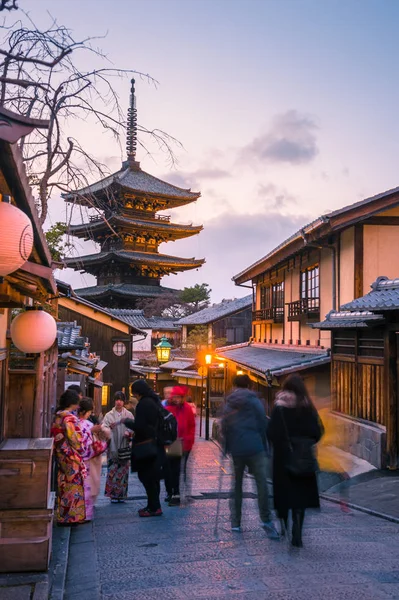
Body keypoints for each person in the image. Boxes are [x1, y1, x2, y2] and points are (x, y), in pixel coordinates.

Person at [267, 373, 323, 548]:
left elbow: (271, 432)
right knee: (300, 496)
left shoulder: (280, 407)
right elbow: (318, 431)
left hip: (283, 457)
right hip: (303, 456)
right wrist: (306, 443)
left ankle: (284, 523)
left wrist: (281, 443)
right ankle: (298, 523)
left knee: (284, 494)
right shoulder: (307, 407)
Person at [221, 374, 279, 538]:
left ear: (234, 385)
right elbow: (263, 424)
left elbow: (224, 425)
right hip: (255, 447)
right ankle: (266, 520)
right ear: (250, 385)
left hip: (237, 449)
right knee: (261, 484)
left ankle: (236, 523)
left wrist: (226, 447)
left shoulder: (230, 402)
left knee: (236, 486)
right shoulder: (255, 401)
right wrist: (266, 445)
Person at [123, 380, 164, 517]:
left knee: (147, 477)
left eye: (134, 393)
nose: (134, 396)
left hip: (145, 446)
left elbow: (140, 426)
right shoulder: (155, 401)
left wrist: (128, 422)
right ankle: (153, 505)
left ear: (137, 392)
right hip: (155, 444)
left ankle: (154, 507)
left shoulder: (143, 405)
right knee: (153, 478)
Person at [51, 389, 86, 525]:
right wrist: (80, 447)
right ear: (73, 403)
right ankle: (72, 516)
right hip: (70, 454)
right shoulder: (69, 418)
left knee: (63, 482)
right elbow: (75, 438)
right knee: (73, 484)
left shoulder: (58, 416)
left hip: (60, 452)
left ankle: (63, 514)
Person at [77, 397, 109, 520]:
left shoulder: (76, 423)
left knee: (85, 486)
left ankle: (81, 514)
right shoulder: (87, 425)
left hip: (81, 458)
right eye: (90, 412)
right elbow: (85, 441)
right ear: (86, 411)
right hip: (88, 458)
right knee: (88, 486)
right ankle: (86, 514)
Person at [164, 385, 196, 506]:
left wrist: (189, 439)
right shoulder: (169, 408)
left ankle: (178, 493)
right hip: (173, 442)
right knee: (173, 469)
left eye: (179, 397)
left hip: (185, 442)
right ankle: (174, 493)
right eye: (175, 397)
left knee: (180, 469)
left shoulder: (187, 409)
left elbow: (191, 426)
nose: (177, 399)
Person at [102, 391, 134, 503]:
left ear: (124, 401)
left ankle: (121, 494)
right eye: (117, 399)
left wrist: (129, 432)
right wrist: (107, 430)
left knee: (123, 472)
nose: (118, 402)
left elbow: (134, 427)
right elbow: (103, 427)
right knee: (112, 471)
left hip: (124, 446)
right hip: (113, 446)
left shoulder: (129, 415)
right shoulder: (108, 415)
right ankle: (112, 495)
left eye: (121, 399)